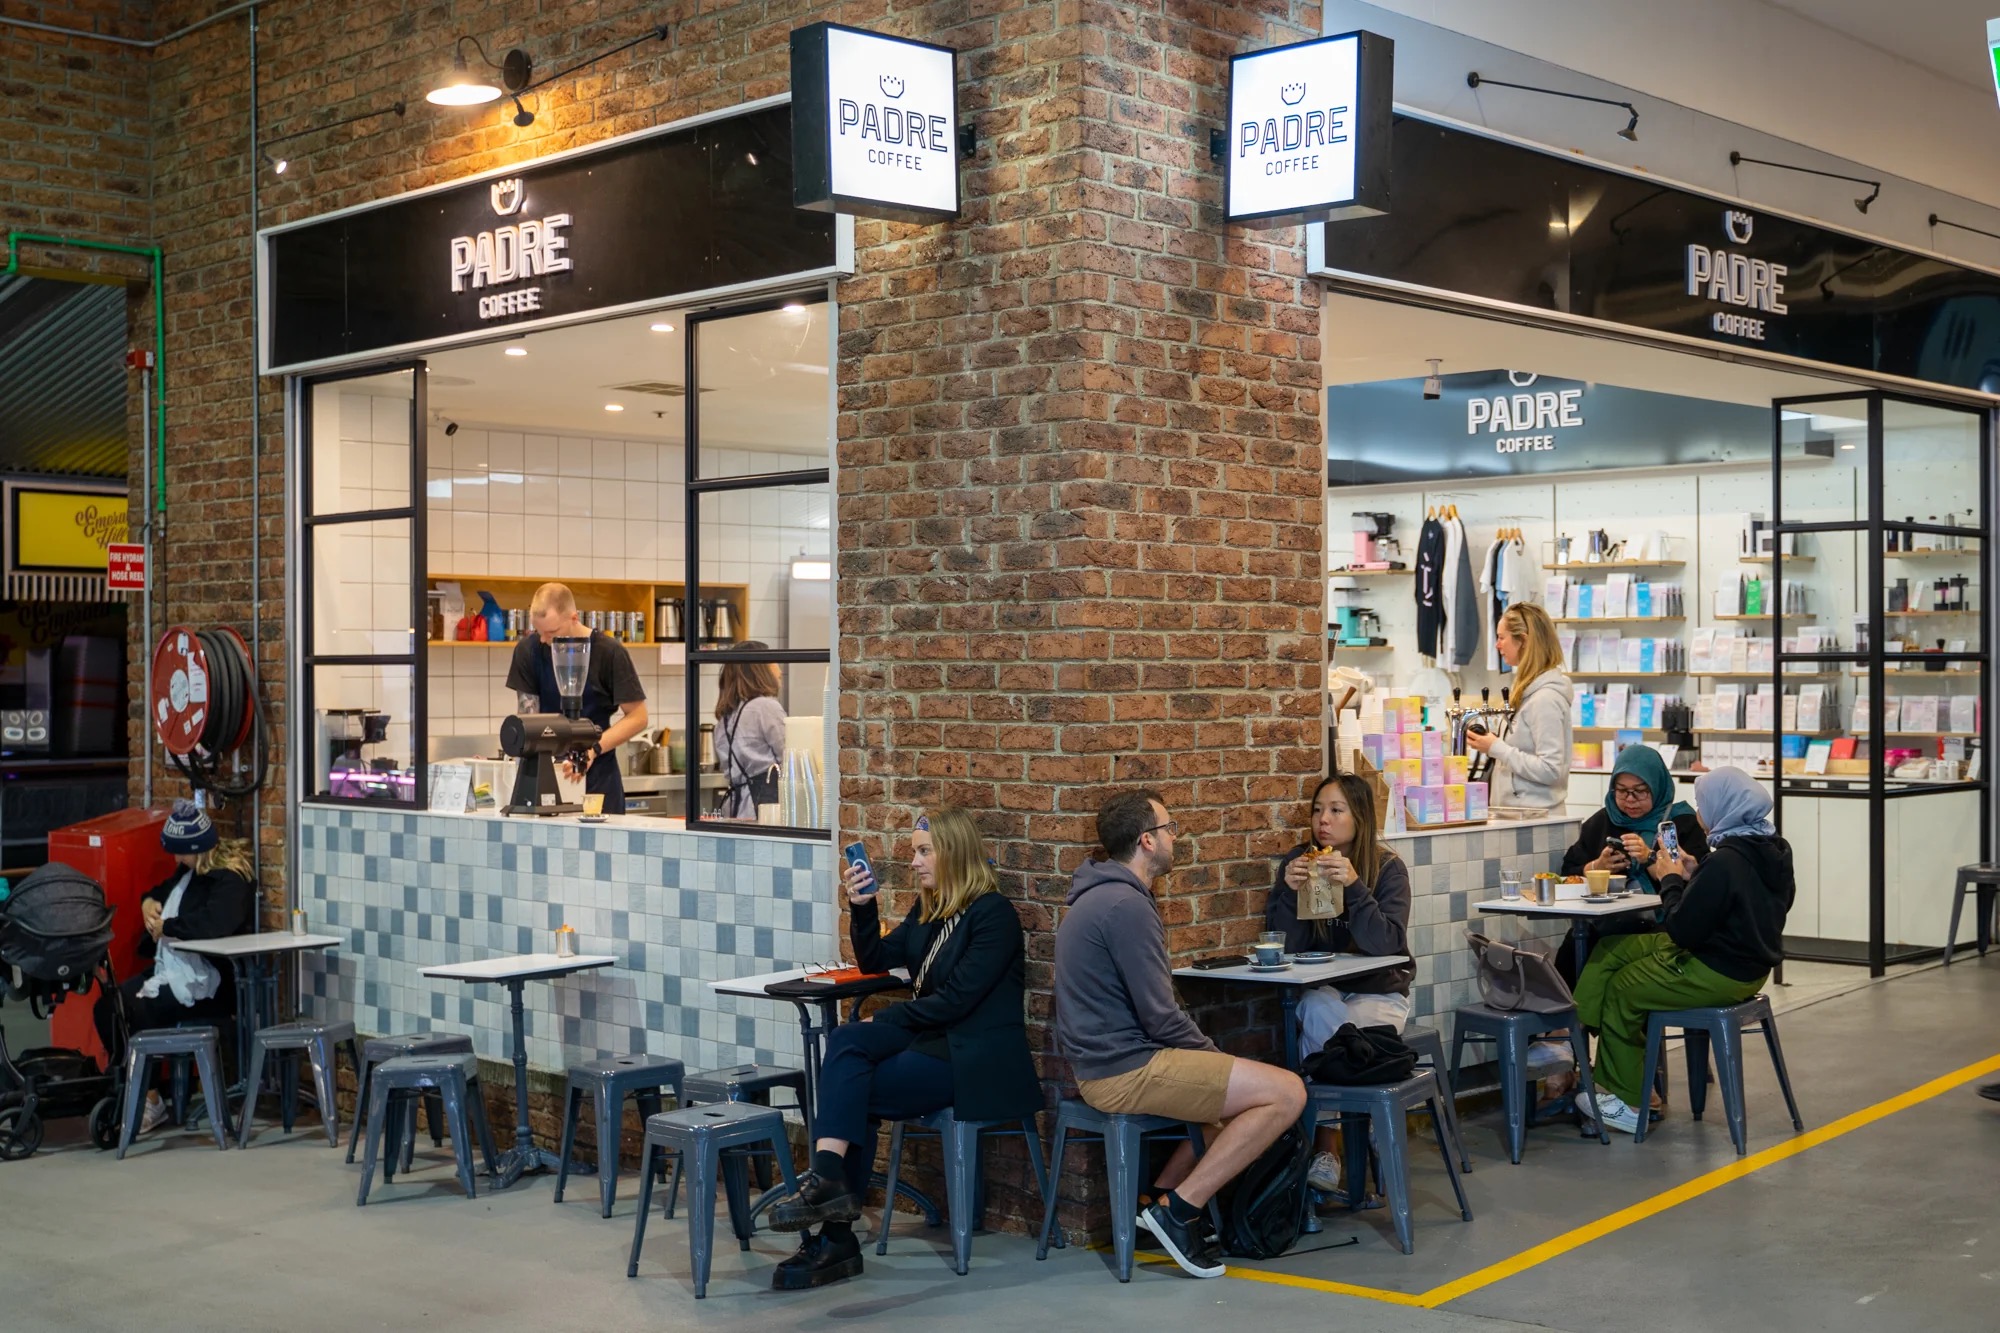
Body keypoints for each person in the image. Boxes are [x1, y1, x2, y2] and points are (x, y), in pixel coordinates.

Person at [766, 809, 1041, 1290]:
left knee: (854, 1088)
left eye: (923, 851)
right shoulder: (929, 910)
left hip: (973, 1055)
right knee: (848, 1042)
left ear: (953, 852)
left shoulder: (993, 915)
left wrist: (888, 1016)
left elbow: (958, 1001)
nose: (914, 862)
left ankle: (836, 1236)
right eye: (915, 851)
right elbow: (875, 959)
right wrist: (864, 905)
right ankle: (830, 1182)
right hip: (932, 1037)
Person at [1055, 790, 1308, 1279]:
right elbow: (1160, 1016)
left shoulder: (1102, 896)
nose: (1177, 837)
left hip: (1109, 1064)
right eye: (1171, 829)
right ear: (1147, 841)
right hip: (1125, 1069)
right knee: (1286, 1093)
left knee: (1235, 1100)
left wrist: (1220, 1070)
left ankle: (1156, 1200)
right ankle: (1181, 1211)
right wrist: (1216, 1060)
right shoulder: (1125, 905)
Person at [1576, 767, 1794, 1135]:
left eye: (1702, 804)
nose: (1697, 814)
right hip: (1752, 963)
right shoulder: (1771, 848)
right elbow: (1751, 901)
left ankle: (1626, 1100)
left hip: (1718, 969)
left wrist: (1670, 879)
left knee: (1623, 989)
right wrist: (1698, 873)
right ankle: (1583, 1042)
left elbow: (1681, 930)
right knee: (1611, 948)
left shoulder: (1727, 860)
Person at [1265, 773, 1411, 1195]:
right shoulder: (1300, 861)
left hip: (1378, 991)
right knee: (1314, 1007)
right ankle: (1354, 1133)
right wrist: (1289, 895)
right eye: (1317, 810)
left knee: (1342, 1033)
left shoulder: (1386, 869)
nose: (1322, 820)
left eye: (1335, 810)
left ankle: (1332, 1143)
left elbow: (1387, 944)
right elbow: (1289, 948)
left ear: (1360, 818)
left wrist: (1353, 886)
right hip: (1328, 990)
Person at [91, 801, 255, 1135]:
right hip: (176, 972)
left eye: (180, 853)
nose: (175, 860)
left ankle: (144, 1097)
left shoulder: (230, 881)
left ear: (198, 849)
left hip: (211, 984)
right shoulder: (188, 872)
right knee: (108, 1006)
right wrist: (148, 904)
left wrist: (169, 927)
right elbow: (162, 893)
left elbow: (215, 923)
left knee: (138, 1009)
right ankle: (142, 1092)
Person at [1554, 745, 1710, 982]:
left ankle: (1603, 1017)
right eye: (1622, 791)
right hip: (1606, 923)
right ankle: (1574, 1016)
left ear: (1657, 787)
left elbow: (1699, 883)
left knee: (1613, 963)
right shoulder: (1603, 821)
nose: (1630, 800)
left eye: (1640, 791)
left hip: (1662, 926)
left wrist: (1649, 858)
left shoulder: (1681, 823)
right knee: (1572, 951)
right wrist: (1598, 867)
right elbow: (1569, 872)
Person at [503, 582, 648, 814]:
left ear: (574, 617)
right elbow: (529, 721)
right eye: (538, 632)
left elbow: (638, 717)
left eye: (552, 632)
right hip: (548, 773)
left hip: (600, 778)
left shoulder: (609, 653)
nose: (544, 640)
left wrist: (593, 750)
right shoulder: (528, 651)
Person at [1464, 602, 1573, 813]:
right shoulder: (1527, 693)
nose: (1497, 645)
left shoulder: (1545, 699)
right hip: (1520, 815)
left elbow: (1551, 770)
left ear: (1522, 640)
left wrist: (1496, 748)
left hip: (1537, 819)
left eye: (1501, 637)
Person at [712, 643, 786, 820]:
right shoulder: (766, 707)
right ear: (760, 669)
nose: (779, 669)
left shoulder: (725, 718)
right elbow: (790, 755)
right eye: (773, 661)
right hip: (766, 809)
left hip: (735, 808)